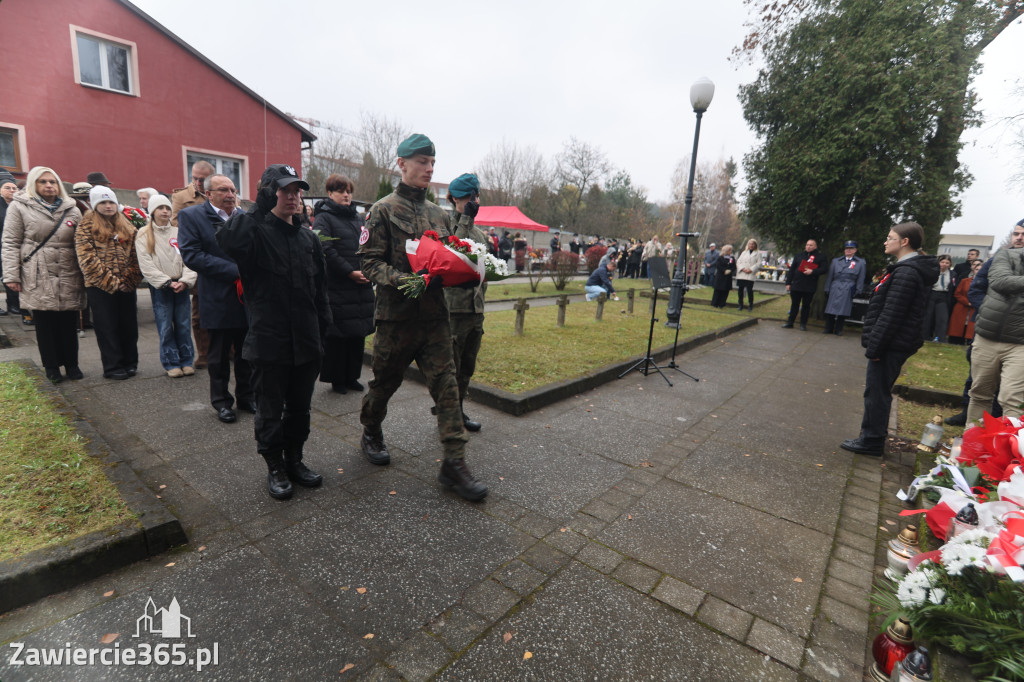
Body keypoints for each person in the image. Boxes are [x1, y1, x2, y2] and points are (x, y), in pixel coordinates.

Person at [357, 133, 487, 502]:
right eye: (422, 162)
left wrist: (470, 268)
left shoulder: (438, 214)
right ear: (402, 164)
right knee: (384, 384)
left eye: (433, 162)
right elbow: (368, 262)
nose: (429, 168)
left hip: (434, 319)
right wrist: (403, 280)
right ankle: (370, 429)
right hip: (396, 320)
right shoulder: (381, 209)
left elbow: (453, 254)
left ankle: (454, 462)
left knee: (447, 387)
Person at [217, 164, 330, 501]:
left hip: (306, 341)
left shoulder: (309, 238)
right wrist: (256, 208)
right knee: (269, 409)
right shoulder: (254, 232)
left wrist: (324, 332)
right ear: (268, 192)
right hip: (269, 341)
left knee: (300, 408)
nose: (293, 196)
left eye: (297, 190)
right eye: (284, 190)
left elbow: (321, 291)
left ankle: (295, 460)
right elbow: (227, 241)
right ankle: (275, 466)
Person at [841, 222, 938, 456]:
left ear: (904, 242)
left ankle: (872, 441)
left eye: (890, 237)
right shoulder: (905, 268)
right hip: (893, 342)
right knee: (877, 390)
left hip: (891, 344)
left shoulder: (906, 272)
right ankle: (871, 437)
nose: (886, 241)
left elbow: (892, 314)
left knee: (877, 392)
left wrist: (875, 347)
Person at [178, 174, 254, 424]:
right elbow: (192, 255)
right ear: (208, 194)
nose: (231, 194)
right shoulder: (192, 217)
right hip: (217, 297)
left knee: (246, 353)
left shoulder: (244, 217)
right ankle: (222, 402)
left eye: (233, 189)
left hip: (247, 299)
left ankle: (246, 397)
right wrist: (236, 272)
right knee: (218, 356)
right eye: (224, 190)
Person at [1, 167, 86, 382]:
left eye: (53, 181)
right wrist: (11, 275)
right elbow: (10, 242)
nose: (49, 185)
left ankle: (72, 364)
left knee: (69, 321)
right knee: (45, 323)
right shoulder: (19, 207)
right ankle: (52, 367)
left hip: (68, 271)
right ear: (33, 184)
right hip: (37, 270)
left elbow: (83, 242)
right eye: (43, 182)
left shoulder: (72, 209)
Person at [313, 174, 374, 394]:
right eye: (340, 191)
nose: (346, 195)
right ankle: (337, 379)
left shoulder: (358, 218)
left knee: (357, 334)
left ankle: (352, 376)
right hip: (339, 285)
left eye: (348, 191)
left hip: (360, 284)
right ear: (330, 194)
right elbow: (325, 250)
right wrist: (349, 272)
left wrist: (366, 270)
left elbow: (367, 245)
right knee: (338, 335)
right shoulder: (324, 218)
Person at [75, 185, 142, 380]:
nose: (107, 206)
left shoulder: (127, 225)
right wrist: (111, 282)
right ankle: (113, 366)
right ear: (95, 205)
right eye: (102, 202)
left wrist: (129, 279)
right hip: (100, 286)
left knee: (129, 326)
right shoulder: (86, 225)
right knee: (107, 327)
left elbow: (136, 256)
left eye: (111, 202)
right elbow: (86, 258)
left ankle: (130, 362)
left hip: (127, 284)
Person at [965, 219, 1024, 426]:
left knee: (1012, 400)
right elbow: (1000, 282)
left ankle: (1009, 454)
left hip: (1020, 344)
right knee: (979, 392)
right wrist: (991, 311)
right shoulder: (1003, 255)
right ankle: (971, 451)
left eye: (1023, 234)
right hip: (987, 335)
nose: (1019, 238)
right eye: (1016, 233)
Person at [135, 194, 196, 377]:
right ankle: (171, 362)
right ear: (152, 211)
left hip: (181, 284)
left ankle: (186, 360)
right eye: (160, 208)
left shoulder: (179, 232)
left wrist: (185, 281)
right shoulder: (144, 234)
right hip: (162, 287)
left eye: (167, 208)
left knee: (184, 324)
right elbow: (146, 264)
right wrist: (166, 282)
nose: (165, 211)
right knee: (165, 325)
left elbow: (189, 259)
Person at [444, 173, 486, 433]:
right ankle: (448, 415)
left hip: (475, 310)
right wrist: (466, 219)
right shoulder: (445, 224)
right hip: (453, 310)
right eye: (470, 197)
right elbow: (451, 252)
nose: (475, 201)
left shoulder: (480, 234)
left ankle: (458, 410)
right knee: (451, 367)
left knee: (467, 367)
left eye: (477, 197)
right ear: (456, 199)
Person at [172, 160, 216, 370]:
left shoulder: (222, 192)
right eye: (195, 178)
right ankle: (204, 353)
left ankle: (232, 350)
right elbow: (174, 226)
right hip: (196, 259)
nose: (198, 182)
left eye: (202, 179)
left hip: (218, 255)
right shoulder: (181, 197)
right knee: (199, 313)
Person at [823, 240, 867, 336]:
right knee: (831, 308)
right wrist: (827, 287)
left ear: (855, 250)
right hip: (835, 285)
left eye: (851, 249)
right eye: (847, 248)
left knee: (843, 310)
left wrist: (858, 290)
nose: (848, 250)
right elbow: (830, 276)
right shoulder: (836, 261)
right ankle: (828, 328)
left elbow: (861, 278)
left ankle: (838, 329)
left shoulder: (860, 263)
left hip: (848, 287)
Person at [783, 238, 825, 331]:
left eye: (811, 245)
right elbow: (792, 270)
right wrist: (788, 282)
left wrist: (813, 271)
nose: (808, 247)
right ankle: (790, 322)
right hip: (797, 284)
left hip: (809, 286)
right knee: (794, 305)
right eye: (807, 245)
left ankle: (803, 324)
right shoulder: (799, 256)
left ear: (815, 246)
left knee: (806, 306)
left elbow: (824, 269)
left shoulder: (820, 257)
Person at [947, 258, 982, 345]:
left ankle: (969, 341)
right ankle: (956, 340)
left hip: (975, 308)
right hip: (962, 307)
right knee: (958, 326)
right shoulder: (965, 281)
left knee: (971, 326)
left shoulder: (985, 283)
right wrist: (967, 302)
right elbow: (957, 294)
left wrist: (976, 302)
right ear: (973, 270)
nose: (978, 271)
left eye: (981, 270)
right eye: (976, 269)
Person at [921, 254, 953, 342]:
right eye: (942, 262)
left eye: (947, 263)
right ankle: (925, 337)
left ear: (950, 264)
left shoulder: (952, 274)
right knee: (928, 317)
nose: (944, 264)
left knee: (942, 318)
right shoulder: (933, 271)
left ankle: (940, 338)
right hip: (932, 294)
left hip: (943, 296)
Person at [0, 173, 20, 316]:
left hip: (12, 247)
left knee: (11, 275)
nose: (12, 190)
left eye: (14, 188)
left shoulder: (19, 205)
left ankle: (13, 305)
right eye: (7, 188)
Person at [735, 238, 760, 310]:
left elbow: (759, 264)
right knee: (740, 290)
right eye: (750, 244)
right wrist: (742, 268)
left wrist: (751, 269)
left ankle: (750, 305)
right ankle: (740, 304)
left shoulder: (758, 253)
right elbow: (738, 262)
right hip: (742, 274)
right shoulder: (744, 252)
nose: (751, 245)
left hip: (750, 274)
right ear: (748, 245)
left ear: (755, 245)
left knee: (749, 290)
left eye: (753, 244)